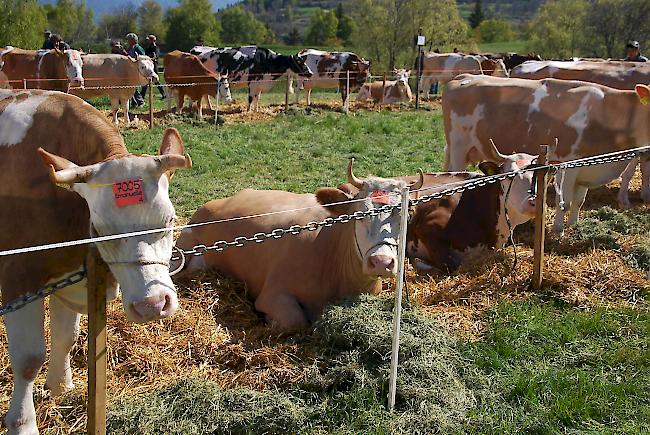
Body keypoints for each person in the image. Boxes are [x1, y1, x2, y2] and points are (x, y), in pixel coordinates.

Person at [141, 35, 166, 100]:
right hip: (148, 66)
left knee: (156, 81)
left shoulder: (155, 48)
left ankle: (163, 94)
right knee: (146, 80)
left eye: (149, 40)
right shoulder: (148, 47)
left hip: (153, 66)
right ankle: (142, 96)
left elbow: (155, 56)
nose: (147, 41)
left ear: (152, 40)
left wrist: (150, 57)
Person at [125, 33, 146, 107]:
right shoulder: (130, 48)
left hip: (136, 70)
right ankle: (134, 102)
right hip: (130, 69)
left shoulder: (138, 48)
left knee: (133, 87)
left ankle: (140, 101)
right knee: (130, 87)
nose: (128, 41)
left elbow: (142, 58)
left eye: (129, 40)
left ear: (133, 40)